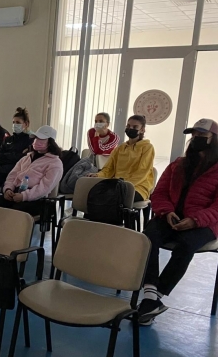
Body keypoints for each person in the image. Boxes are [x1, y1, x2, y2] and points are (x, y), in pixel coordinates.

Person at [138, 119, 218, 325]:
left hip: (205, 223)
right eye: (194, 135)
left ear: (214, 139)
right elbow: (159, 193)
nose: (196, 139)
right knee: (148, 237)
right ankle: (150, 296)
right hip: (171, 216)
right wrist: (167, 212)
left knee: (186, 245)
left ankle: (155, 297)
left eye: (202, 136)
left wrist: (195, 220)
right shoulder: (178, 164)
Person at [0, 125, 63, 216]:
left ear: (50, 142)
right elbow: (12, 175)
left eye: (41, 139)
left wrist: (24, 196)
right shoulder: (27, 158)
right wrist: (8, 189)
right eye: (36, 138)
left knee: (11, 214)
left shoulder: (55, 164)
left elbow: (44, 188)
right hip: (15, 193)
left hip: (36, 199)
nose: (36, 141)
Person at [89, 115, 155, 202]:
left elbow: (142, 172)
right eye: (128, 126)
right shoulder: (120, 148)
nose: (130, 128)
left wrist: (124, 184)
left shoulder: (147, 147)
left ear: (142, 130)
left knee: (108, 198)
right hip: (117, 185)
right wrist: (98, 175)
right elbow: (109, 168)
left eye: (135, 127)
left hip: (138, 187)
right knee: (93, 193)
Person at [0, 107, 34, 186]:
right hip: (0, 169)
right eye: (13, 122)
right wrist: (16, 155)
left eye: (18, 122)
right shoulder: (8, 139)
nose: (15, 125)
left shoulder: (30, 140)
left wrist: (6, 155)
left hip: (15, 172)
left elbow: (23, 158)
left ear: (26, 124)